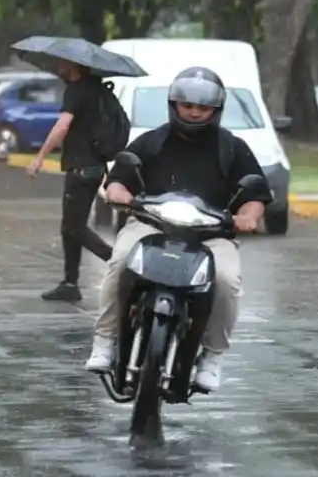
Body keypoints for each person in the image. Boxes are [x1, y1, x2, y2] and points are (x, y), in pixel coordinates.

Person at [83, 66, 270, 392]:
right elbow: (117, 181)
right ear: (174, 104)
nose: (194, 112)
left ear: (216, 110)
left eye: (202, 107)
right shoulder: (152, 141)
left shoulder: (232, 148)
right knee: (119, 260)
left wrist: (248, 216)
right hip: (149, 224)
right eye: (188, 106)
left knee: (227, 281)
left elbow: (255, 194)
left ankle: (213, 356)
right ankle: (106, 339)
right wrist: (121, 195)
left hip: (212, 235)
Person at [27, 60, 114, 302]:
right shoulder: (97, 88)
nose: (58, 68)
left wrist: (39, 158)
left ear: (73, 66)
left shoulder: (76, 90)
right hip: (95, 167)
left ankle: (117, 261)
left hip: (81, 168)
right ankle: (70, 283)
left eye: (62, 65)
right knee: (70, 227)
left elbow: (62, 125)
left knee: (75, 227)